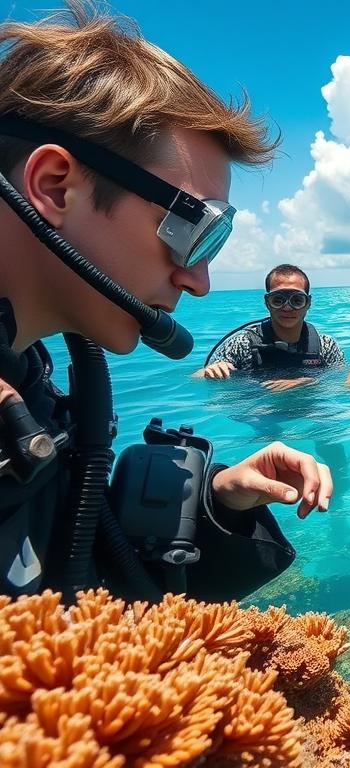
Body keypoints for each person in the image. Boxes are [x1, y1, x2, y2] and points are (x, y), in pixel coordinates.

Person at [0, 3, 332, 602]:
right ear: (54, 186)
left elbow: (71, 575)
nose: (200, 280)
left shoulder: (30, 386)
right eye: (190, 227)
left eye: (218, 240)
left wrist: (217, 498)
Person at [195, 264, 344, 391]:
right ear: (267, 302)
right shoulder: (242, 344)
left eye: (297, 300)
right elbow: (196, 377)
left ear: (308, 303)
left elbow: (342, 379)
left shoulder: (325, 345)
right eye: (278, 300)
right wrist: (210, 371)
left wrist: (303, 382)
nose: (287, 308)